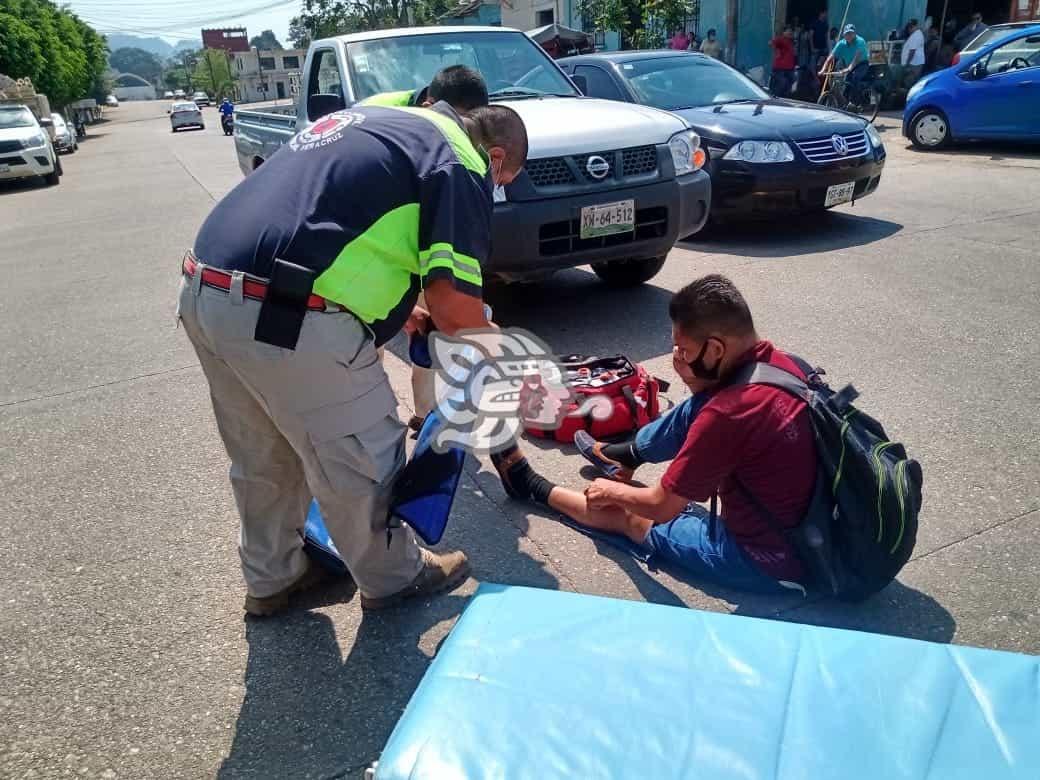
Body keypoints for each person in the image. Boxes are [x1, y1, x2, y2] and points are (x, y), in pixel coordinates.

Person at [178, 99, 528, 616]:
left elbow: (335, 220)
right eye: (504, 181)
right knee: (363, 451)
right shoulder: (460, 161)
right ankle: (394, 577)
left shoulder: (387, 119)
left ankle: (275, 577)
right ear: (496, 159)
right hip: (286, 311)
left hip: (205, 290)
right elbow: (457, 312)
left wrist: (404, 303)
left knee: (264, 456)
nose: (495, 188)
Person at [489, 275, 815, 593]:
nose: (676, 359)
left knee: (629, 514)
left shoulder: (727, 414)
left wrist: (610, 492)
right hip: (813, 525)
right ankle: (625, 455)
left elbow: (661, 507)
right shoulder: (786, 365)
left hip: (768, 561)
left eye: (684, 352)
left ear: (716, 349)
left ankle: (529, 485)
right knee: (700, 402)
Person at [361, 65, 490, 430]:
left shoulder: (451, 131)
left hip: (414, 225)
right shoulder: (386, 117)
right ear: (431, 105)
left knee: (426, 324)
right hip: (372, 238)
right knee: (367, 339)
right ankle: (370, 419)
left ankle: (423, 415)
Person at [820, 23, 869, 103]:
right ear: (844, 35)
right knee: (846, 86)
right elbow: (830, 57)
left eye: (851, 33)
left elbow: (856, 59)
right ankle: (846, 105)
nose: (849, 35)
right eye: (847, 34)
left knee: (855, 79)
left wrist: (849, 69)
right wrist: (823, 69)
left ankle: (856, 103)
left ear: (854, 34)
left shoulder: (860, 41)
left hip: (861, 64)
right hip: (849, 65)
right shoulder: (841, 44)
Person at [769, 26, 797, 96]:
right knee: (782, 83)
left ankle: (784, 97)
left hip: (789, 68)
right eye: (788, 31)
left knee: (792, 81)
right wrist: (776, 52)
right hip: (780, 67)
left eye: (791, 31)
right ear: (783, 32)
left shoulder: (791, 42)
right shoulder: (781, 39)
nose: (790, 32)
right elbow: (770, 43)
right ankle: (776, 97)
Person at [901, 19, 926, 87]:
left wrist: (907, 64)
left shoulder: (916, 36)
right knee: (909, 82)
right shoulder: (916, 34)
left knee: (908, 83)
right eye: (909, 27)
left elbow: (912, 52)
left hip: (914, 64)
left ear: (915, 26)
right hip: (915, 63)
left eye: (911, 27)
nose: (909, 29)